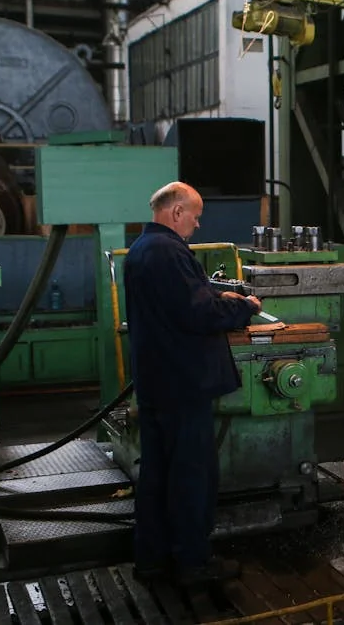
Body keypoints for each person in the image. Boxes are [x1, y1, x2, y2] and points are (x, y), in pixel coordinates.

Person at [123, 181, 261, 587]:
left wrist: (220, 299)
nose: (198, 225)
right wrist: (243, 309)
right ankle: (193, 564)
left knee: (157, 476)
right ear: (177, 211)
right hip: (183, 385)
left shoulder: (140, 249)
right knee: (190, 476)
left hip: (157, 382)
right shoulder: (167, 251)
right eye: (196, 216)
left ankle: (152, 560)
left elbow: (183, 302)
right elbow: (196, 313)